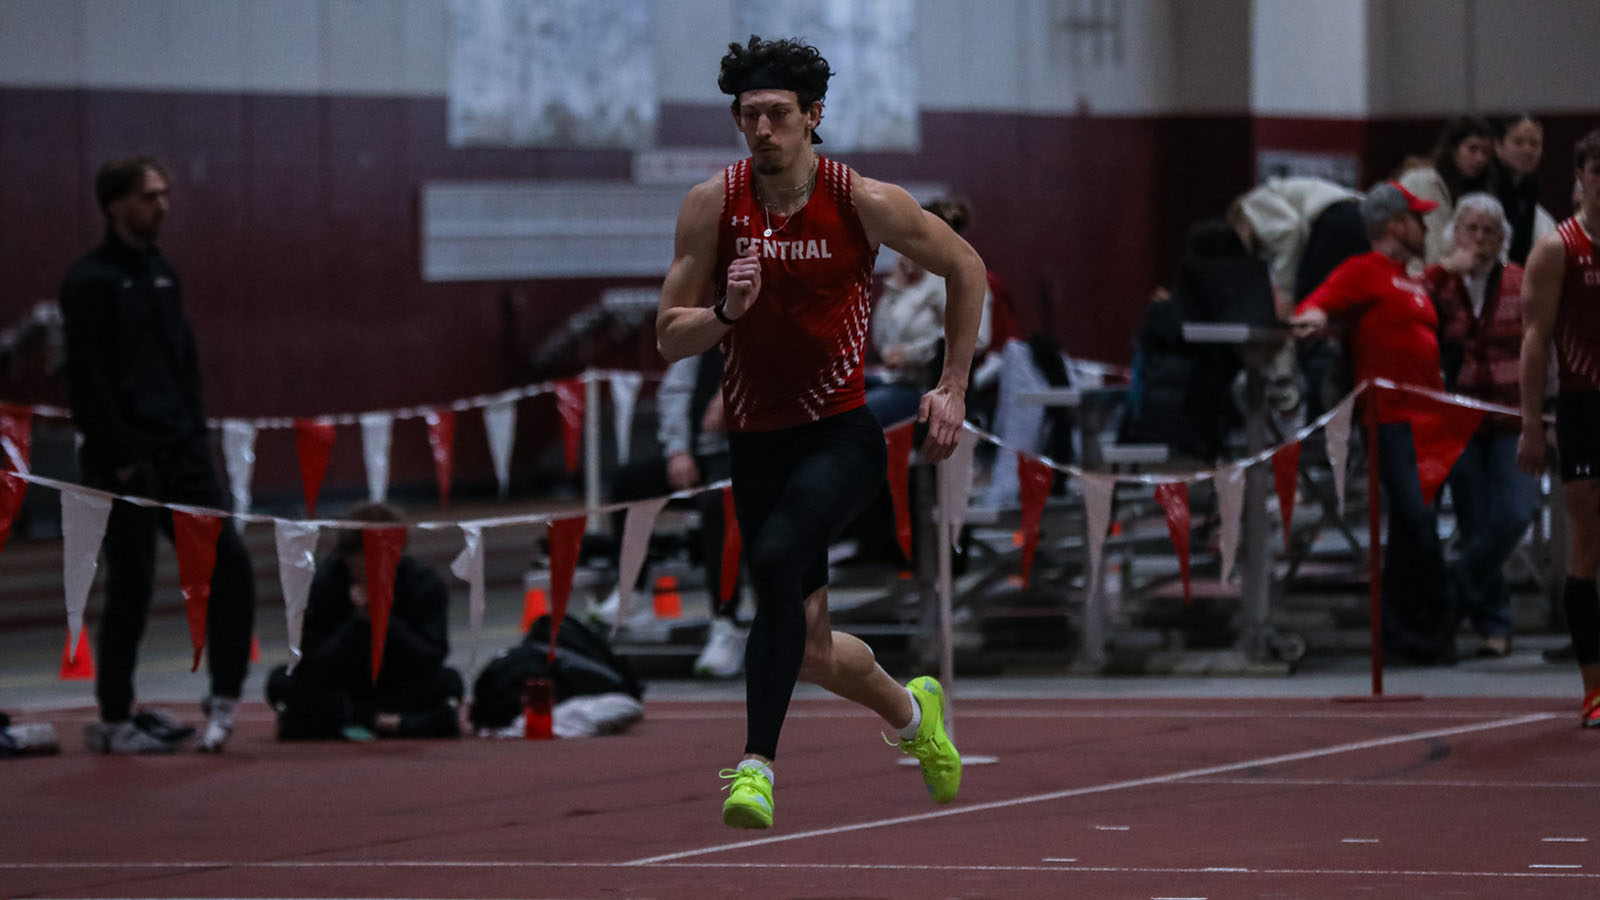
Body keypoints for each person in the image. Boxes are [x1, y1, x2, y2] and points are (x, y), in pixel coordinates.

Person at [656, 35, 983, 829]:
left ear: (813, 117)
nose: (761, 129)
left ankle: (756, 768)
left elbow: (965, 267)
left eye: (777, 114)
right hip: (756, 441)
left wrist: (951, 385)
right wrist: (728, 313)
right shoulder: (713, 205)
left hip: (842, 435)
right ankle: (916, 716)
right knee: (807, 645)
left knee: (770, 560)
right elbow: (669, 336)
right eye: (748, 116)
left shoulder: (862, 200)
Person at [59, 157, 257, 754]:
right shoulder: (89, 282)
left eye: (166, 194)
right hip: (125, 461)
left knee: (231, 569)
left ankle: (223, 701)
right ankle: (116, 717)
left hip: (182, 455)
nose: (163, 205)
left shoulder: (163, 274)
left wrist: (195, 440)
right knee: (133, 585)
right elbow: (88, 380)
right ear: (117, 203)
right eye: (150, 196)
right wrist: (121, 459)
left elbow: (183, 365)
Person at [1292, 181, 1456, 665]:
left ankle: (1408, 636)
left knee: (1412, 532)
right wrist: (1315, 319)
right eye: (1418, 218)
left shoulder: (1413, 280)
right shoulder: (1363, 271)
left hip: (1432, 421)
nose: (1426, 226)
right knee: (1419, 524)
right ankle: (1426, 627)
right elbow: (1313, 306)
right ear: (1394, 224)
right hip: (1391, 420)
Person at [1422, 193, 1536, 658]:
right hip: (1458, 414)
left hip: (1512, 413)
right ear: (1454, 233)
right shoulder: (1440, 282)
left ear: (1503, 238)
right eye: (1470, 228)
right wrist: (1446, 268)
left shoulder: (1520, 280)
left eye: (1489, 230)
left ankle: (1452, 594)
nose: (1479, 239)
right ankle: (1495, 623)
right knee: (1474, 520)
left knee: (1514, 514)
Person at [590, 347, 748, 678]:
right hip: (700, 454)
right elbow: (674, 392)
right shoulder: (704, 329)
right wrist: (678, 450)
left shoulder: (776, 327)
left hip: (751, 454)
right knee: (628, 483)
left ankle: (726, 623)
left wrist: (734, 395)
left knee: (719, 504)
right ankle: (632, 591)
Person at [1516, 128, 1600, 728]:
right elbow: (1534, 342)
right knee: (1587, 543)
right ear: (1582, 178)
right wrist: (1530, 424)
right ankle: (1595, 687)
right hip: (1583, 404)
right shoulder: (1558, 250)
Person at [265, 503, 463, 740]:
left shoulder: (423, 583)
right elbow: (312, 663)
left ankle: (349, 721)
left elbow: (431, 656)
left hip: (397, 683)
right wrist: (357, 623)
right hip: (342, 686)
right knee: (281, 681)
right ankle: (388, 721)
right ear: (348, 557)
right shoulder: (324, 585)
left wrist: (386, 624)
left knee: (450, 682)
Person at [865, 197, 992, 429]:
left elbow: (978, 338)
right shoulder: (916, 288)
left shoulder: (956, 280)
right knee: (831, 400)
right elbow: (882, 342)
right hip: (895, 381)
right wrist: (896, 284)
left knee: (854, 416)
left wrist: (912, 354)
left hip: (924, 389)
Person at [1399, 115, 1497, 265]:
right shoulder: (1417, 182)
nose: (1480, 159)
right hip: (1418, 274)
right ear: (1453, 149)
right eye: (1472, 149)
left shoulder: (1484, 196)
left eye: (1485, 152)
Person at [1491, 114, 1556, 266]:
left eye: (1534, 144)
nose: (1527, 150)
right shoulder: (1485, 188)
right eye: (1518, 142)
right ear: (1498, 146)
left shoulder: (1530, 189)